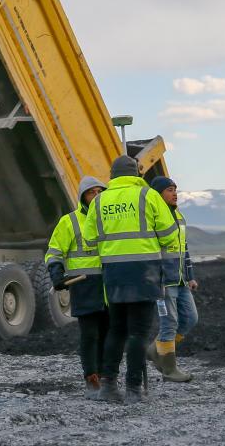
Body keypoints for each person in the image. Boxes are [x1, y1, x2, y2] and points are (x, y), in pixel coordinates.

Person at [81, 155, 181, 403]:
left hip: (114, 274)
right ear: (136, 174)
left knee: (116, 330)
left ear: (112, 176)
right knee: (138, 333)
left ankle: (108, 387)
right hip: (144, 273)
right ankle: (134, 389)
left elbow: (89, 240)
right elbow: (170, 234)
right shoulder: (147, 195)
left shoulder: (100, 200)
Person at [45, 176, 109, 400]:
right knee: (90, 335)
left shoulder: (111, 220)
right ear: (83, 197)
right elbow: (54, 251)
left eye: (100, 192)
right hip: (84, 286)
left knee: (108, 334)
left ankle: (106, 376)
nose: (97, 196)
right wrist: (56, 274)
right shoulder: (69, 222)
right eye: (92, 192)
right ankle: (91, 377)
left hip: (110, 287)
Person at [147, 175, 199, 383]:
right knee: (169, 322)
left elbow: (183, 249)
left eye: (175, 189)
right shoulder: (151, 217)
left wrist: (190, 276)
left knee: (190, 318)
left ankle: (155, 349)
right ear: (158, 194)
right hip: (163, 281)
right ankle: (169, 370)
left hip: (180, 280)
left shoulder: (178, 216)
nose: (175, 193)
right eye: (169, 190)